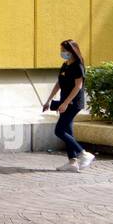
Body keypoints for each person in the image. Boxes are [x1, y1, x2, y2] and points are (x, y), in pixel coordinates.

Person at [43, 39, 95, 171]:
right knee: (67, 131)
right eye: (61, 50)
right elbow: (59, 83)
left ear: (72, 50)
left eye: (64, 50)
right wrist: (49, 100)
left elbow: (78, 86)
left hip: (73, 102)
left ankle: (84, 154)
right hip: (64, 101)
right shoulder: (65, 65)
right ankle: (72, 162)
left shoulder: (78, 66)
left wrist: (66, 103)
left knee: (59, 130)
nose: (62, 53)